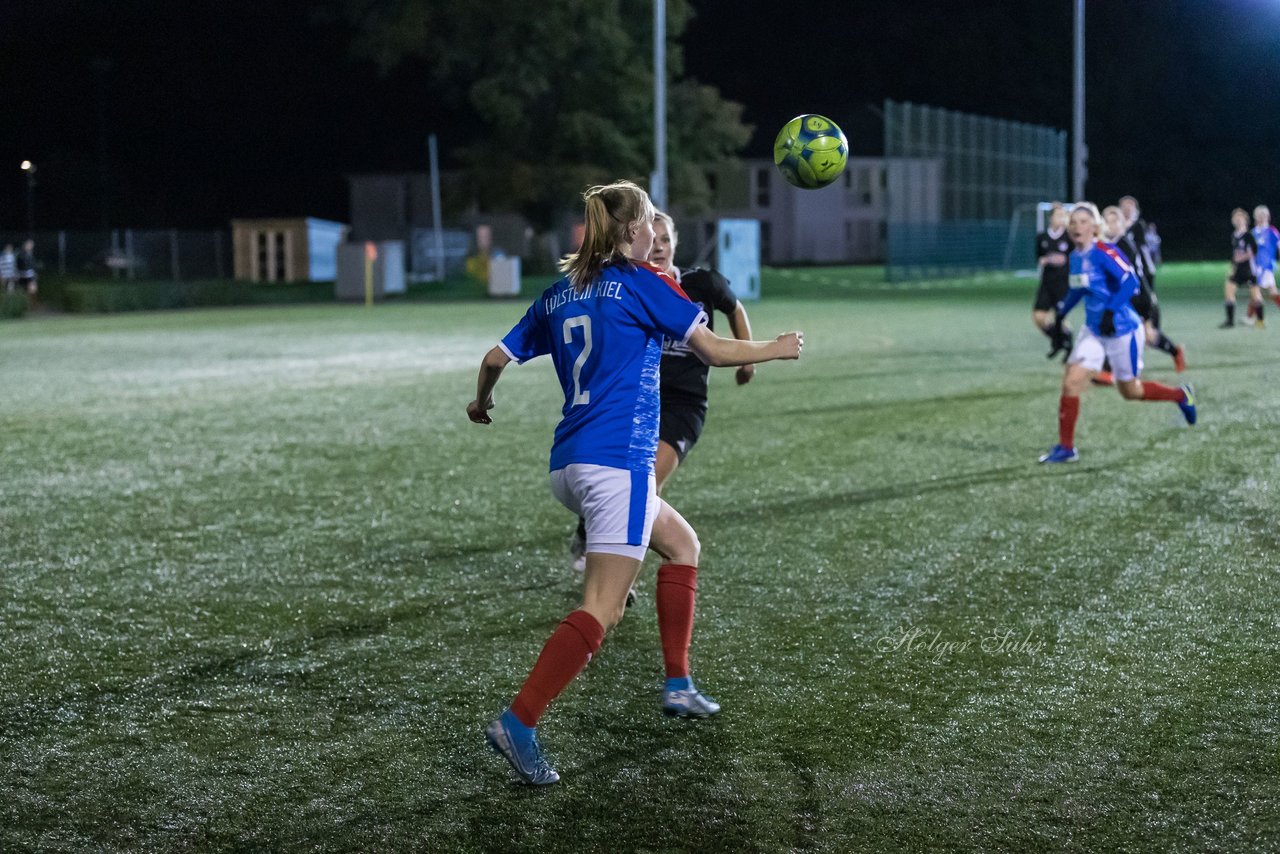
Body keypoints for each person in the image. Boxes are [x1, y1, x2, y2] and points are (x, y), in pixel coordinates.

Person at [468, 180, 803, 785]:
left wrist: (479, 404)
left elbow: (494, 358)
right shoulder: (645, 284)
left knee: (682, 545)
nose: (657, 232)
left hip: (568, 464)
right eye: (650, 221)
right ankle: (519, 723)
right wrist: (775, 348)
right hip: (617, 464)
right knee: (602, 607)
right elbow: (712, 349)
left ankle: (678, 683)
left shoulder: (561, 291)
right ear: (630, 231)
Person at [567, 211, 758, 575]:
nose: (658, 247)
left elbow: (735, 308)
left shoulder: (702, 283)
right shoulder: (628, 288)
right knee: (613, 479)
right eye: (651, 240)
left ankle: (620, 577)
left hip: (682, 405)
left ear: (675, 244)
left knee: (644, 486)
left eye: (665, 239)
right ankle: (587, 531)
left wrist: (746, 359)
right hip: (634, 403)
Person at [1040, 202, 1196, 464]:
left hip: (1123, 330)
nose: (1077, 226)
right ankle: (1066, 448)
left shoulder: (1104, 251)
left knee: (1130, 391)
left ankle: (1181, 395)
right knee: (1071, 381)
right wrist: (1061, 314)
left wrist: (1111, 311)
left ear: (1094, 227)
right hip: (1094, 330)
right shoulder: (1076, 257)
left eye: (1083, 221)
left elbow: (1131, 282)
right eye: (1073, 222)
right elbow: (1078, 288)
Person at [1102, 205, 1185, 372]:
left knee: (1148, 336)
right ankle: (1107, 369)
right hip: (1126, 297)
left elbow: (1127, 277)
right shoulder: (1109, 245)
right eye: (1107, 221)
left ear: (1122, 224)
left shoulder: (1123, 245)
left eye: (1114, 221)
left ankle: (1175, 352)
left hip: (1138, 297)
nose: (1110, 225)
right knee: (1135, 333)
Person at [1033, 203, 1074, 360]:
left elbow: (1075, 258)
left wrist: (1064, 261)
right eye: (1058, 215)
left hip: (1063, 283)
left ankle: (1068, 345)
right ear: (1051, 218)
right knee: (1039, 317)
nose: (1061, 218)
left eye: (1063, 215)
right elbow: (1038, 257)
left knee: (1061, 318)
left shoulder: (1069, 237)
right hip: (1046, 282)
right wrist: (1045, 260)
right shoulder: (1042, 237)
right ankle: (1060, 341)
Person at [1222, 208, 1257, 328]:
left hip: (1249, 269)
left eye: (1240, 218)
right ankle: (1230, 321)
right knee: (1228, 292)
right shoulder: (1234, 235)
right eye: (1235, 218)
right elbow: (1235, 254)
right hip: (1237, 270)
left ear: (1245, 220)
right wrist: (1232, 266)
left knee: (1256, 296)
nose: (1237, 220)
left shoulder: (1248, 235)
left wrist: (1241, 258)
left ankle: (1260, 320)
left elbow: (1253, 251)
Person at [1249, 205, 1280, 323]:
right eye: (1259, 215)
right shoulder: (1252, 233)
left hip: (1266, 266)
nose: (1261, 218)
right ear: (1255, 217)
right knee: (1270, 291)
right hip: (1254, 266)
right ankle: (1251, 317)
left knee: (1257, 291)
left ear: (1268, 216)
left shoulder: (1271, 231)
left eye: (1264, 215)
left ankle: (1252, 318)